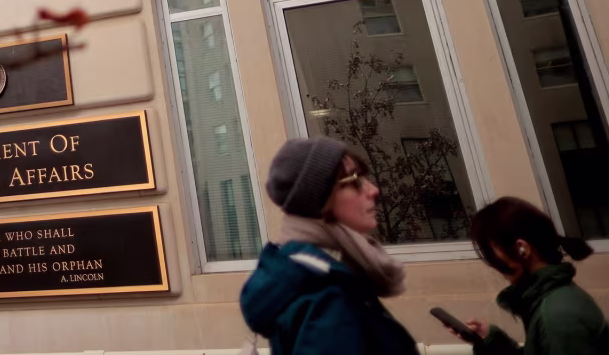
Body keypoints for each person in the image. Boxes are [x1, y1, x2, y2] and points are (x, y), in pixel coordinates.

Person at [240, 137, 417, 355]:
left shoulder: (328, 275)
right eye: (353, 180)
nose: (373, 190)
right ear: (318, 199)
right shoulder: (324, 295)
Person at [451, 196, 609, 354]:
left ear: (522, 249)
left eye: (491, 254)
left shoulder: (558, 316)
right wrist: (493, 343)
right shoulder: (554, 299)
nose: (493, 265)